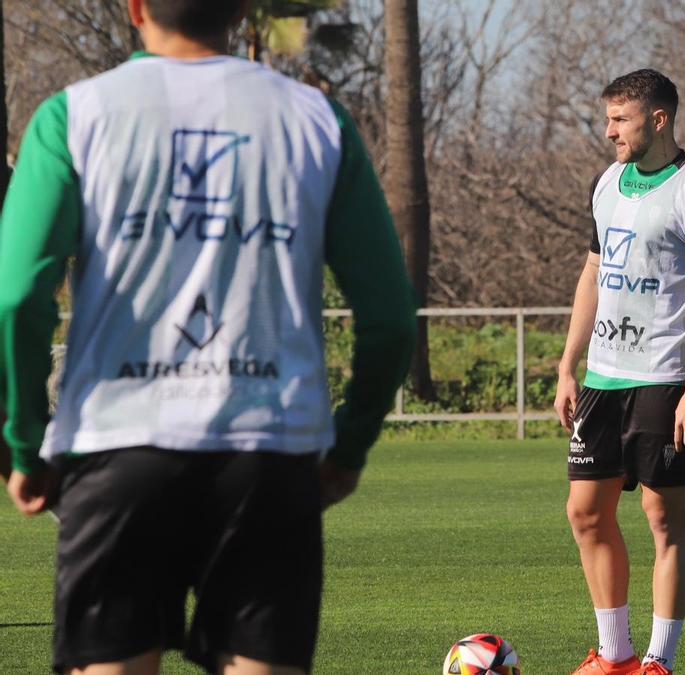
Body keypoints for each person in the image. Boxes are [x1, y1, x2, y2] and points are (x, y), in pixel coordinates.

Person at [0, 1, 417, 673]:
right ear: (242, 10)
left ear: (135, 8)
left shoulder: (73, 116)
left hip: (118, 446)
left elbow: (17, 298)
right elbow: (393, 315)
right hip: (269, 453)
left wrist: (25, 441)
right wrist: (350, 440)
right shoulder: (317, 120)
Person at [554, 69, 685, 675]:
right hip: (604, 380)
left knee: (664, 518)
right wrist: (567, 364)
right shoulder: (606, 182)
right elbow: (592, 274)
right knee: (584, 512)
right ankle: (614, 655)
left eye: (620, 120)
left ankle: (659, 662)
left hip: (664, 377)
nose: (608, 132)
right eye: (608, 119)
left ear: (658, 120)